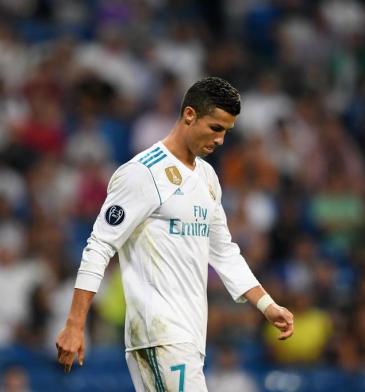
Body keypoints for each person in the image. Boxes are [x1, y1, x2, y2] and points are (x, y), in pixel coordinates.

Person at [56, 77, 294, 391]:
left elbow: (223, 251)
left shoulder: (207, 177)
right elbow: (99, 244)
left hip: (191, 332)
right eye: (216, 128)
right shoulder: (142, 173)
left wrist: (266, 305)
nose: (221, 140)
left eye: (227, 131)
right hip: (159, 333)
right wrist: (75, 322)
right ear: (190, 115)